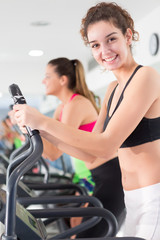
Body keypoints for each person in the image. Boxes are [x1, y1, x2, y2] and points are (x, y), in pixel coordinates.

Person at [12, 1, 160, 239]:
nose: (105, 51)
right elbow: (93, 152)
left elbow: (107, 144)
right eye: (95, 45)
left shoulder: (146, 77)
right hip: (131, 198)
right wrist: (39, 129)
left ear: (128, 36)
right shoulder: (113, 89)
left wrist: (43, 120)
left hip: (153, 199)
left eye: (111, 39)